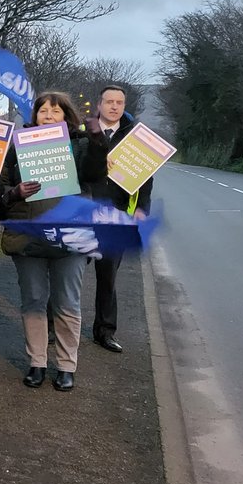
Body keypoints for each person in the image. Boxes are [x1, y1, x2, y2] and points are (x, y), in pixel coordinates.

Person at [0, 91, 107, 391]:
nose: (49, 116)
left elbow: (95, 173)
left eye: (56, 111)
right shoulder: (18, 147)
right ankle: (37, 362)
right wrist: (15, 192)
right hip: (28, 237)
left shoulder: (81, 145)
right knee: (33, 301)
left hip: (71, 237)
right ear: (35, 116)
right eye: (44, 111)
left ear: (67, 117)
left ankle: (67, 366)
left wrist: (97, 141)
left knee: (67, 302)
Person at [86, 84, 152, 354]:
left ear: (124, 106)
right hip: (83, 213)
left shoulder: (136, 138)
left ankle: (105, 332)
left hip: (116, 217)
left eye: (119, 102)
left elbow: (146, 178)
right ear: (99, 104)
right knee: (68, 275)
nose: (114, 106)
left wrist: (142, 208)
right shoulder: (83, 131)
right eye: (109, 101)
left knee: (108, 279)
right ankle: (56, 327)